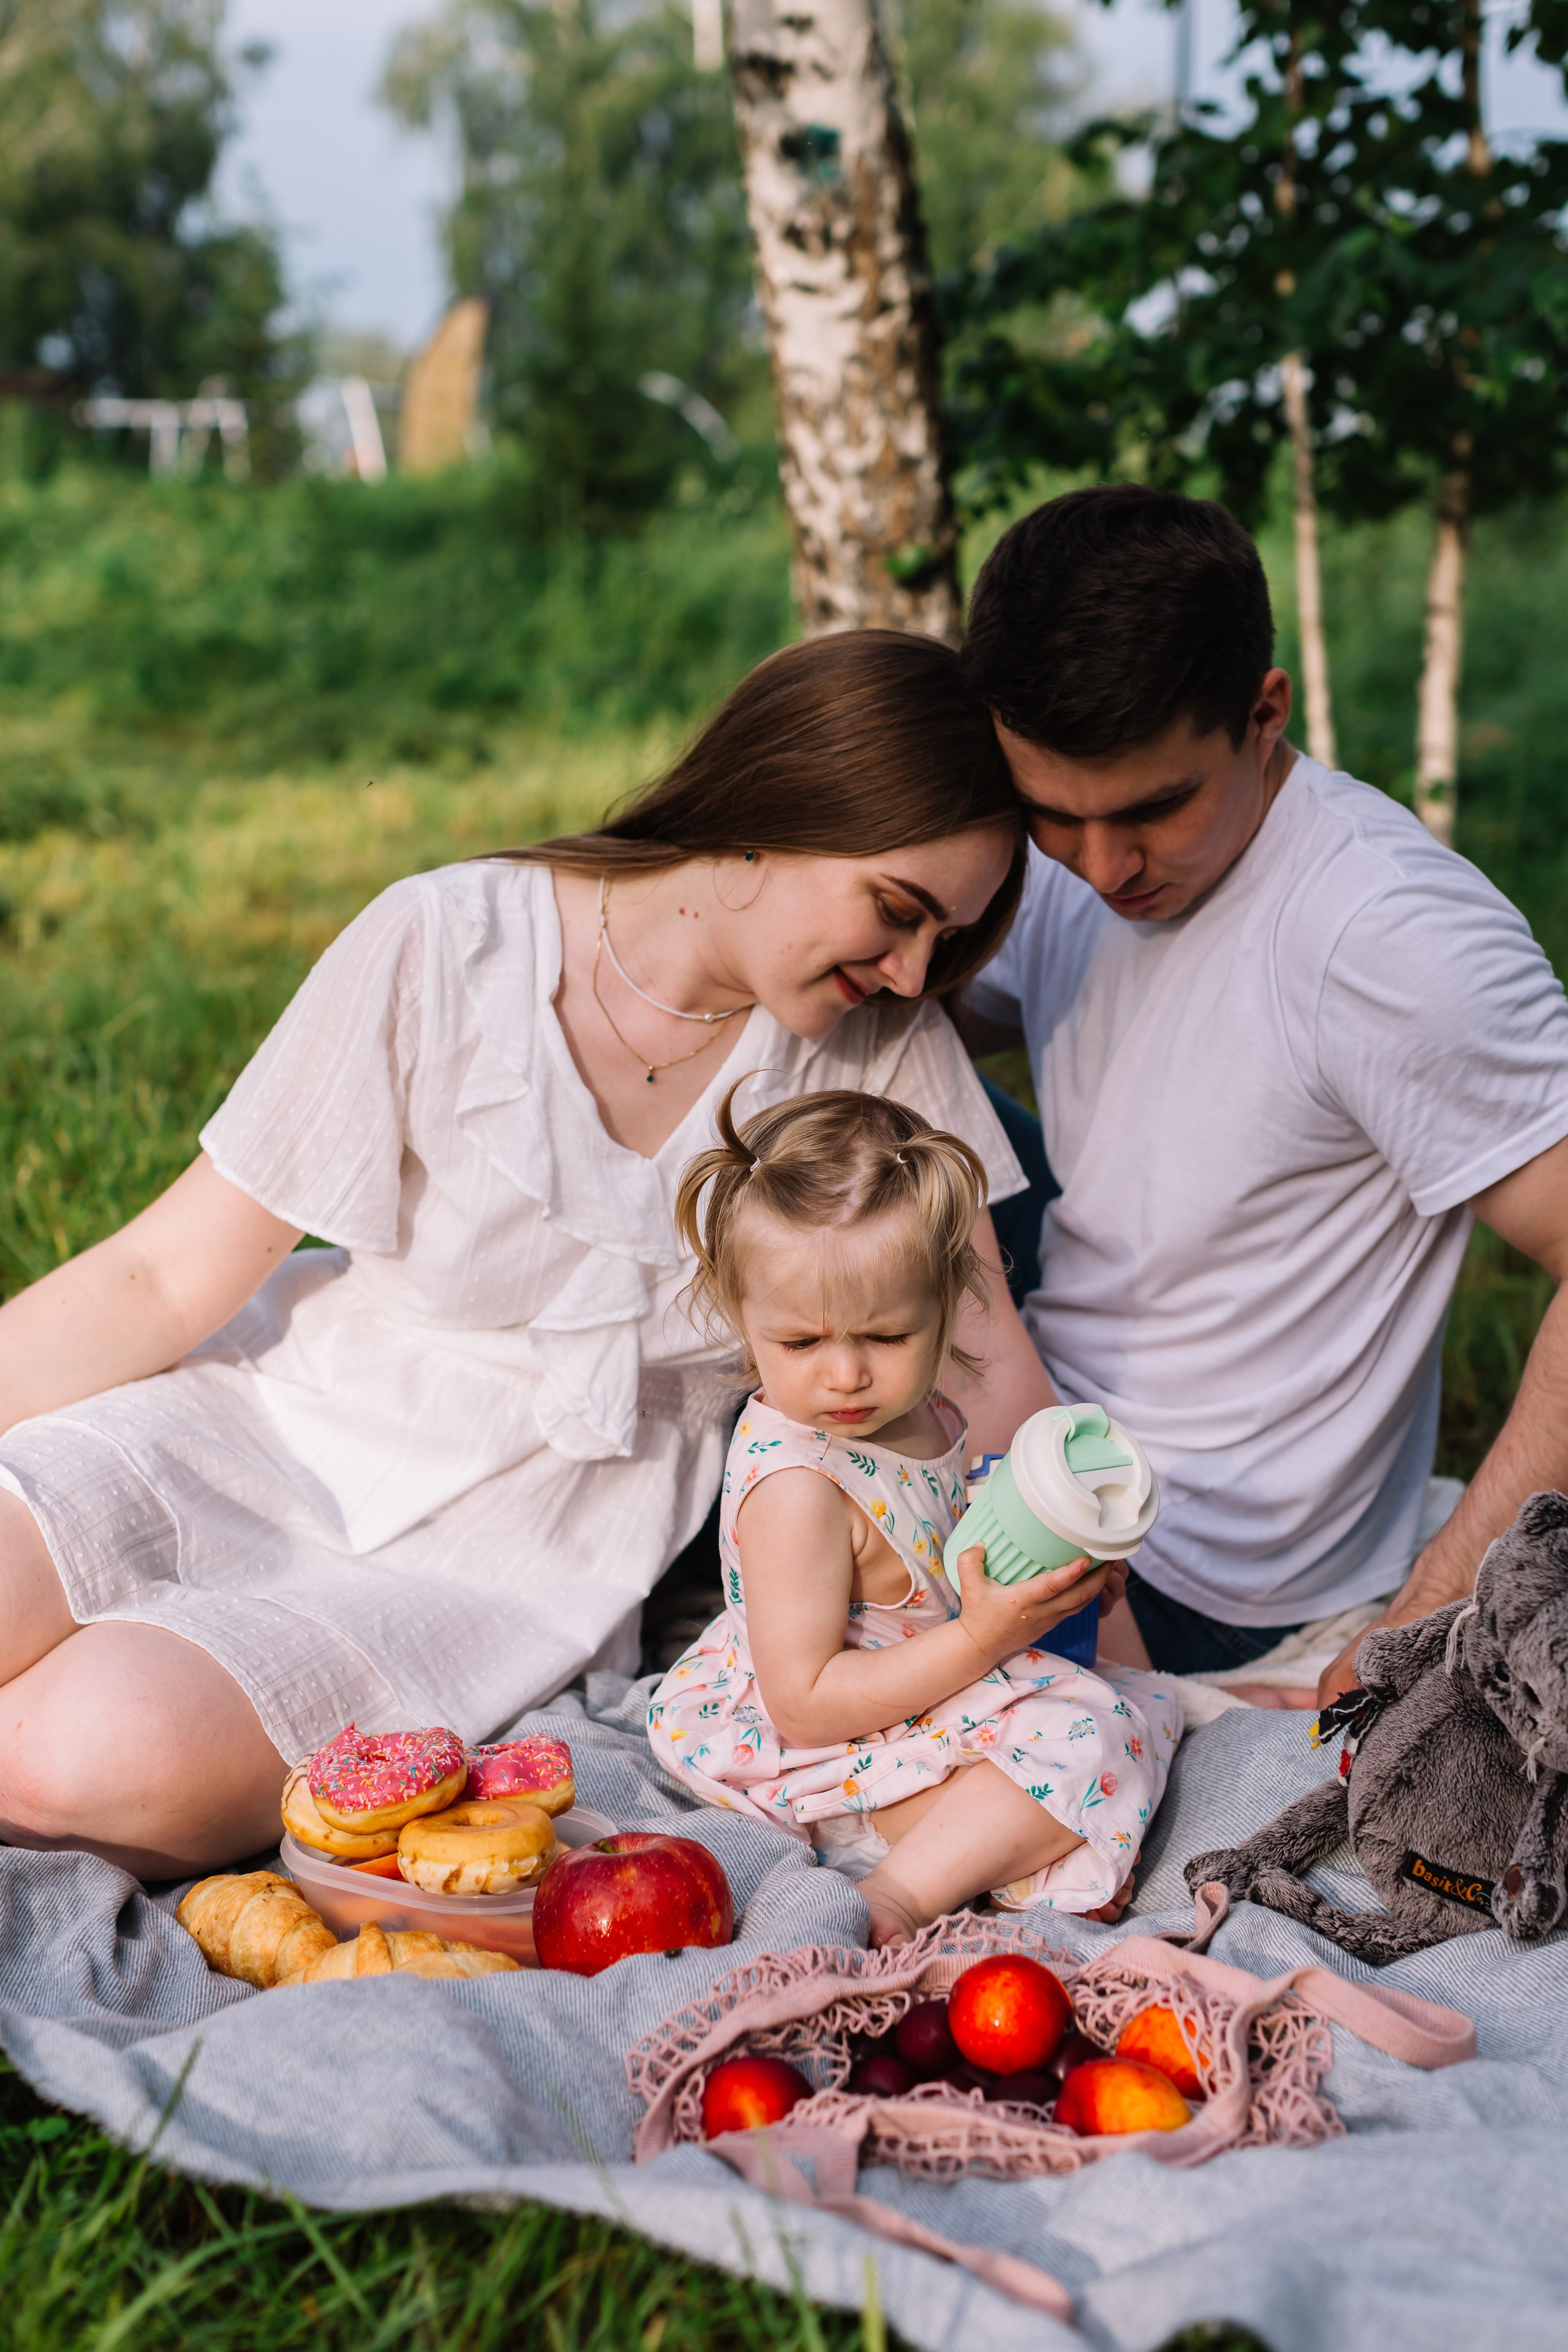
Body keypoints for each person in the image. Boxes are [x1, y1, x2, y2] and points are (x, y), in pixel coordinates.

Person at [0, 630, 1060, 1877]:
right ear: (783, 804)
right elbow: (162, 1275)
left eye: (947, 939)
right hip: (278, 1418)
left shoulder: (880, 1047)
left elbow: (989, 1375)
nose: (911, 970)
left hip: (515, 1562)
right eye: (896, 912)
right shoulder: (448, 940)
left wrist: (1106, 1654)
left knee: (81, 1757)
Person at [958, 485, 1568, 1706]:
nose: (1099, 866)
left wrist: (1420, 1615)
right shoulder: (1078, 856)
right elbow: (933, 1006)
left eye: (1150, 810)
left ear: (1263, 712)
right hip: (1052, 1399)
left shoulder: (1384, 940)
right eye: (1052, 817)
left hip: (1192, 1565)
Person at [647, 1087, 1180, 1948]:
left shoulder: (913, 1411)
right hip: (824, 1745)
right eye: (802, 1344)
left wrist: (1054, 1580)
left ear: (945, 1302)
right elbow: (807, 1704)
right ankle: (895, 1897)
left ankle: (1011, 1843)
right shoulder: (800, 1489)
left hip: (916, 1689)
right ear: (742, 1315)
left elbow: (939, 1549)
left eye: (886, 1337)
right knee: (1090, 1739)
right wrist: (983, 1643)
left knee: (1124, 1708)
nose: (847, 1375)